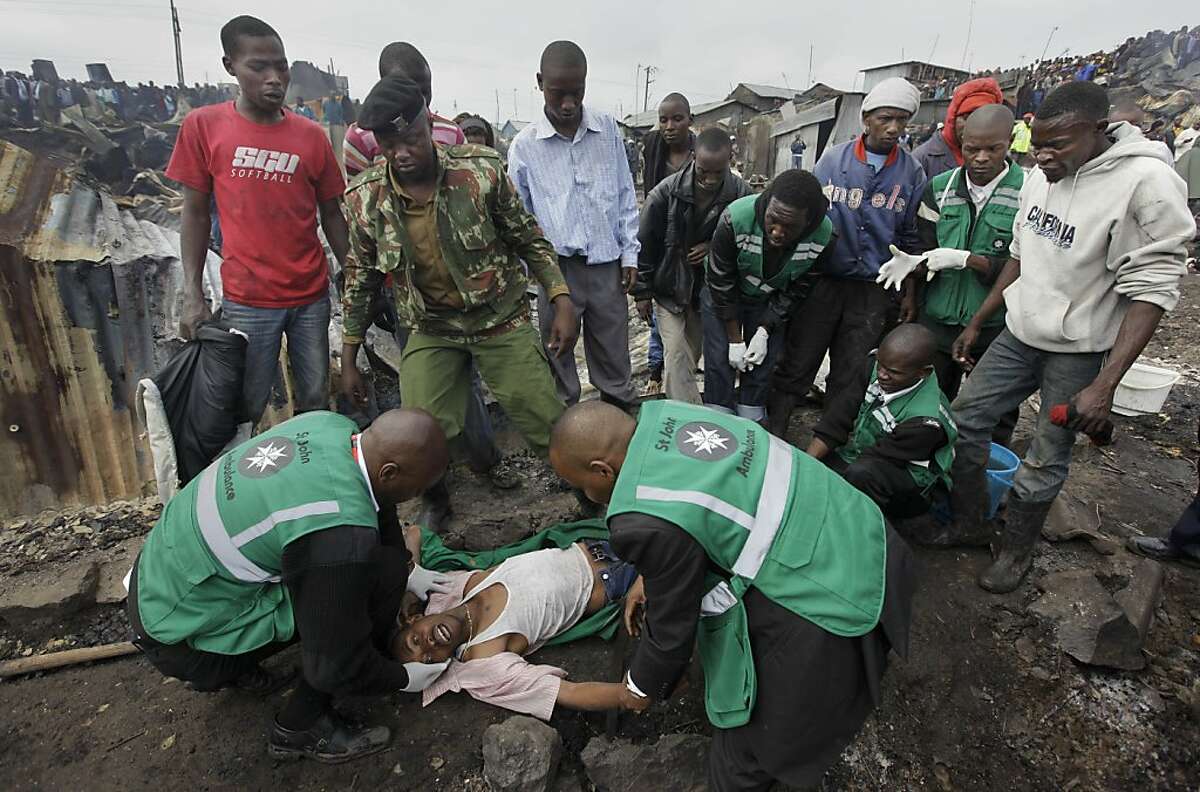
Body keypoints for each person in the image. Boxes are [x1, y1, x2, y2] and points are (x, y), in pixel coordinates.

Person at [548, 400, 913, 791]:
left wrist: (639, 687)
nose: (587, 494)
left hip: (832, 597)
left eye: (582, 485)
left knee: (745, 760)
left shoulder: (638, 522)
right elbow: (701, 511)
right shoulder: (670, 414)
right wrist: (652, 574)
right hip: (864, 534)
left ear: (602, 470)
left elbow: (672, 634)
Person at [946, 82, 1194, 592]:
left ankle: (1016, 553)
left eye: (1057, 145)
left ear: (1097, 131)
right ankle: (969, 523)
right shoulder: (1042, 176)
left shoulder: (1145, 182)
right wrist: (979, 320)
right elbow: (1021, 253)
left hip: (1078, 351)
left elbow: (1152, 291)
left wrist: (1105, 384)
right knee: (965, 418)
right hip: (1019, 334)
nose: (1042, 156)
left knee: (1045, 452)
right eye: (1036, 143)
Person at [126, 408, 455, 762]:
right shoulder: (338, 536)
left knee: (383, 568)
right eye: (417, 490)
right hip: (179, 637)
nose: (414, 497)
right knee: (348, 621)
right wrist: (401, 677)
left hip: (157, 580)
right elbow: (335, 663)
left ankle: (239, 664)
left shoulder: (333, 427)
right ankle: (300, 727)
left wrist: (406, 567)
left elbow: (380, 505)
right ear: (389, 472)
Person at [339, 75, 577, 532]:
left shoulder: (481, 172)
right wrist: (349, 355)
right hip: (432, 328)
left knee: (543, 415)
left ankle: (585, 486)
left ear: (428, 125)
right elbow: (362, 276)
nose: (401, 153)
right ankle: (436, 498)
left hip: (499, 319)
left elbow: (528, 238)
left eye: (409, 139)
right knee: (419, 430)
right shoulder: (366, 199)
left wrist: (560, 296)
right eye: (389, 144)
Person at [169, 16, 348, 425]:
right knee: (243, 407)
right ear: (230, 65)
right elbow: (195, 214)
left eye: (281, 67)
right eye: (258, 67)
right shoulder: (204, 127)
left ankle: (309, 481)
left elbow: (333, 213)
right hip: (247, 301)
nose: (274, 78)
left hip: (310, 298)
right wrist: (192, 294)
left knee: (316, 400)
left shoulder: (310, 136)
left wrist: (351, 270)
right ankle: (242, 485)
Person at [766, 78, 925, 441]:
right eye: (886, 118)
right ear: (866, 119)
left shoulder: (912, 172)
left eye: (902, 120)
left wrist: (909, 290)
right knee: (800, 357)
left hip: (874, 286)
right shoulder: (833, 160)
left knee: (852, 366)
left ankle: (830, 438)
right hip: (824, 278)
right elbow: (807, 219)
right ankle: (777, 429)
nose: (894, 128)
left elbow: (911, 236)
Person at [508, 41, 640, 409]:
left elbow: (624, 194)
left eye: (576, 92)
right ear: (539, 83)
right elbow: (518, 221)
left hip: (605, 267)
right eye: (558, 93)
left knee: (614, 361)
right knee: (558, 357)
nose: (568, 103)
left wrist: (629, 253)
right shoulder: (524, 147)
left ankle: (619, 429)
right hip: (556, 273)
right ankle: (567, 441)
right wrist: (532, 280)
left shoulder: (607, 130)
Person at [391, 526, 643, 718]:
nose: (429, 644)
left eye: (416, 640)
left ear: (414, 619)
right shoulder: (485, 660)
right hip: (620, 580)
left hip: (601, 537)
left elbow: (414, 534)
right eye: (428, 660)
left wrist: (408, 587)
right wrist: (630, 695)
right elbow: (567, 692)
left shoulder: (445, 590)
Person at [914, 105, 1024, 451]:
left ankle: (986, 477)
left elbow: (1023, 263)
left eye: (992, 149)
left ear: (1009, 143)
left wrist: (970, 260)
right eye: (971, 148)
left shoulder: (1029, 190)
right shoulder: (940, 188)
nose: (980, 158)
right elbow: (924, 246)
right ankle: (932, 468)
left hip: (996, 325)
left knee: (994, 411)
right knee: (931, 403)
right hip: (940, 317)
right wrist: (912, 272)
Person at [704, 169, 834, 421]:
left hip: (770, 299)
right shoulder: (735, 218)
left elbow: (799, 289)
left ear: (808, 223)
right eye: (772, 220)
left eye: (790, 227)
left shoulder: (824, 237)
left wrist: (764, 329)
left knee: (761, 363)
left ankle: (751, 422)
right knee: (720, 360)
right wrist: (734, 338)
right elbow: (720, 279)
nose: (777, 231)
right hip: (723, 294)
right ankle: (717, 423)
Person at [634, 127, 751, 404]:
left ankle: (684, 414)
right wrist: (641, 292)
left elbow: (746, 238)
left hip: (709, 290)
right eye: (703, 172)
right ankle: (691, 417)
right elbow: (644, 244)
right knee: (674, 354)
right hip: (669, 284)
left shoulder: (740, 193)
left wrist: (713, 245)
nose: (709, 180)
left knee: (690, 355)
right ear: (693, 158)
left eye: (717, 173)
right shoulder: (665, 193)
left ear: (730, 163)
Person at [809, 324, 955, 519]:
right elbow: (839, 417)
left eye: (893, 372)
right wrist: (807, 464)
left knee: (860, 475)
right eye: (881, 365)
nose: (882, 375)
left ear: (923, 373)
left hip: (906, 480)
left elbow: (876, 459)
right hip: (869, 453)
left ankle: (867, 523)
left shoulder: (926, 421)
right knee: (816, 465)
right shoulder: (875, 365)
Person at [638, 93, 695, 397]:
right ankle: (655, 371)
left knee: (686, 312)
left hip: (691, 247)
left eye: (677, 118)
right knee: (658, 316)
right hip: (660, 243)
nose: (670, 126)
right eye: (663, 120)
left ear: (690, 120)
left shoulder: (703, 156)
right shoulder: (653, 151)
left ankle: (681, 371)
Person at [342, 42, 466, 179]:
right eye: (388, 144)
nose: (422, 102)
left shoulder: (452, 133)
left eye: (425, 91)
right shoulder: (360, 138)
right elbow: (359, 195)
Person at [912, 77, 1004, 181]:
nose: (974, 126)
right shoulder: (921, 159)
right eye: (966, 118)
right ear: (953, 118)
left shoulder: (1001, 163)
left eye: (984, 119)